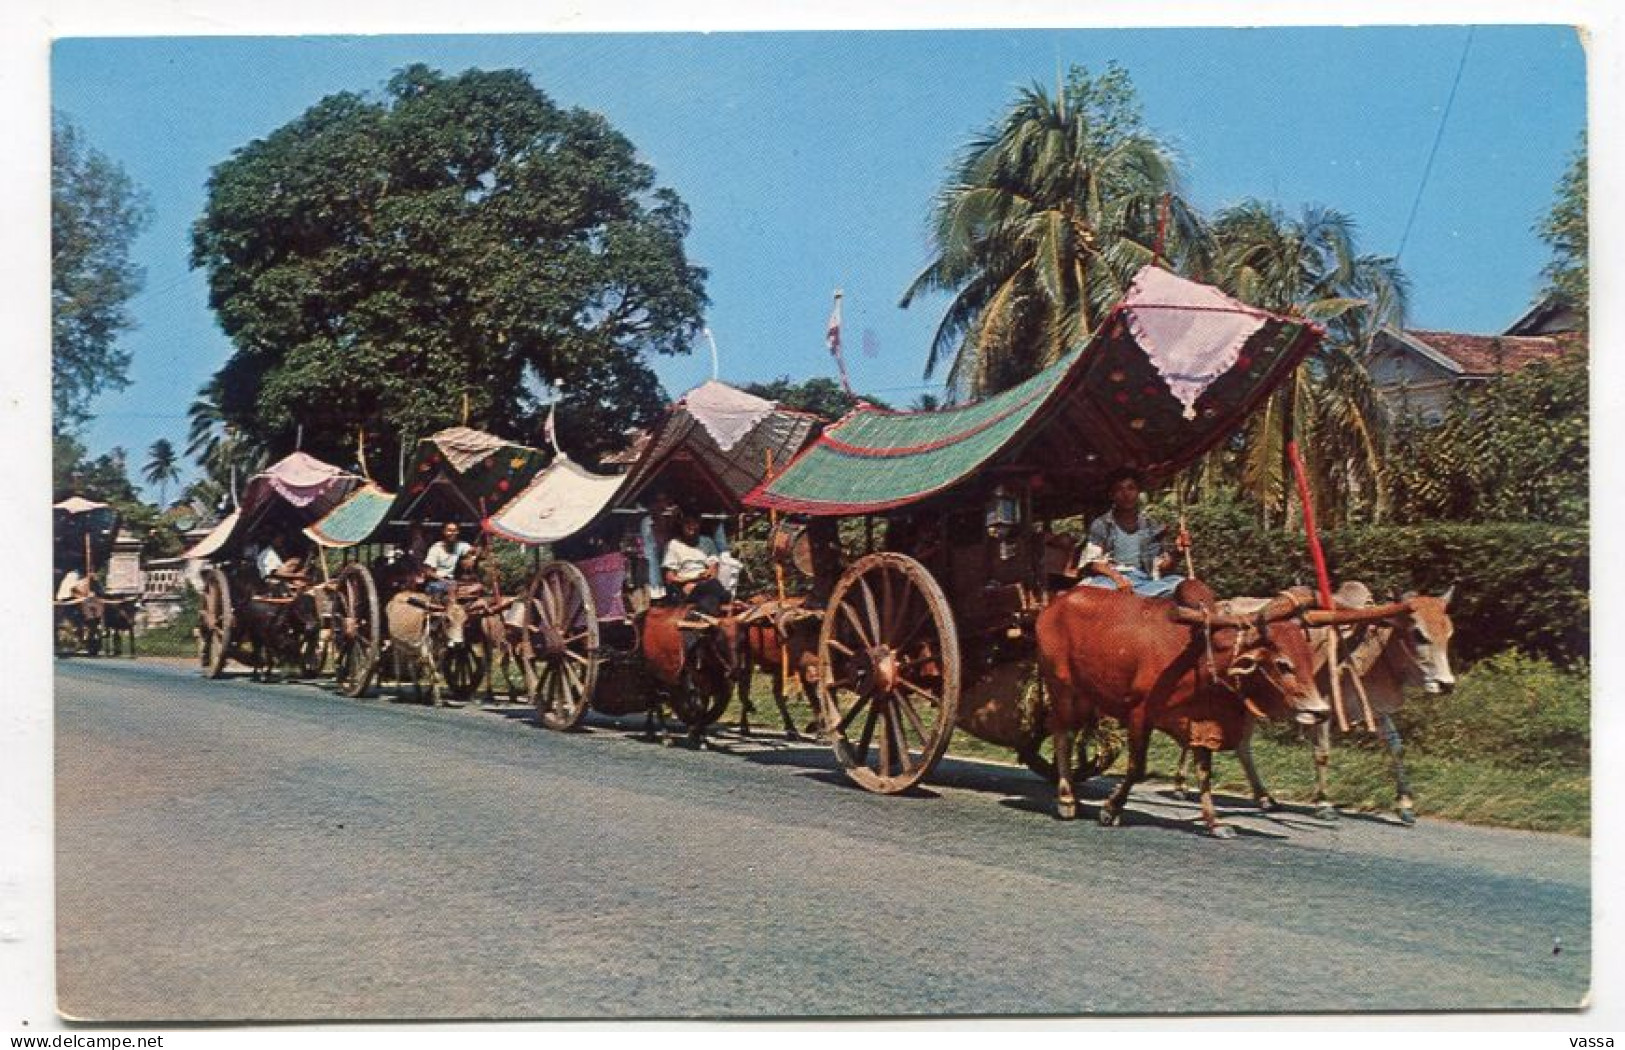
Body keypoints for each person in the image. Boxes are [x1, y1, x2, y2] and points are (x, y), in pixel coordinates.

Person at [1078, 468, 1189, 598]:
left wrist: (1178, 551)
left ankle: (1139, 597)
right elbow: (1094, 563)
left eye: (1131, 488)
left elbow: (1161, 566)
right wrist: (1118, 579)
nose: (1126, 494)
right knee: (1090, 591)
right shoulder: (1102, 524)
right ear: (1112, 495)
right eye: (1119, 489)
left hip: (1144, 582)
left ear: (1138, 492)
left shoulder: (1151, 525)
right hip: (1111, 581)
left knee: (1181, 583)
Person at [662, 513, 730, 618]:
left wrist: (705, 577)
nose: (691, 527)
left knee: (712, 590)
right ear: (682, 525)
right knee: (716, 591)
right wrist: (693, 579)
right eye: (688, 523)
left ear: (699, 524)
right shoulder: (674, 544)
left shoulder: (707, 541)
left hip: (707, 584)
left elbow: (714, 569)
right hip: (686, 588)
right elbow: (670, 578)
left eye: (695, 523)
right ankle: (714, 615)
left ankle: (709, 621)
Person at [423, 522, 471, 598]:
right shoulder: (436, 548)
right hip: (437, 582)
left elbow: (473, 551)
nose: (452, 533)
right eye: (449, 530)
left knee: (478, 587)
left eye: (454, 531)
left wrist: (470, 558)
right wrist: (445, 581)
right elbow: (428, 572)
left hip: (453, 582)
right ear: (444, 532)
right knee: (445, 588)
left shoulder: (461, 545)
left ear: (458, 532)